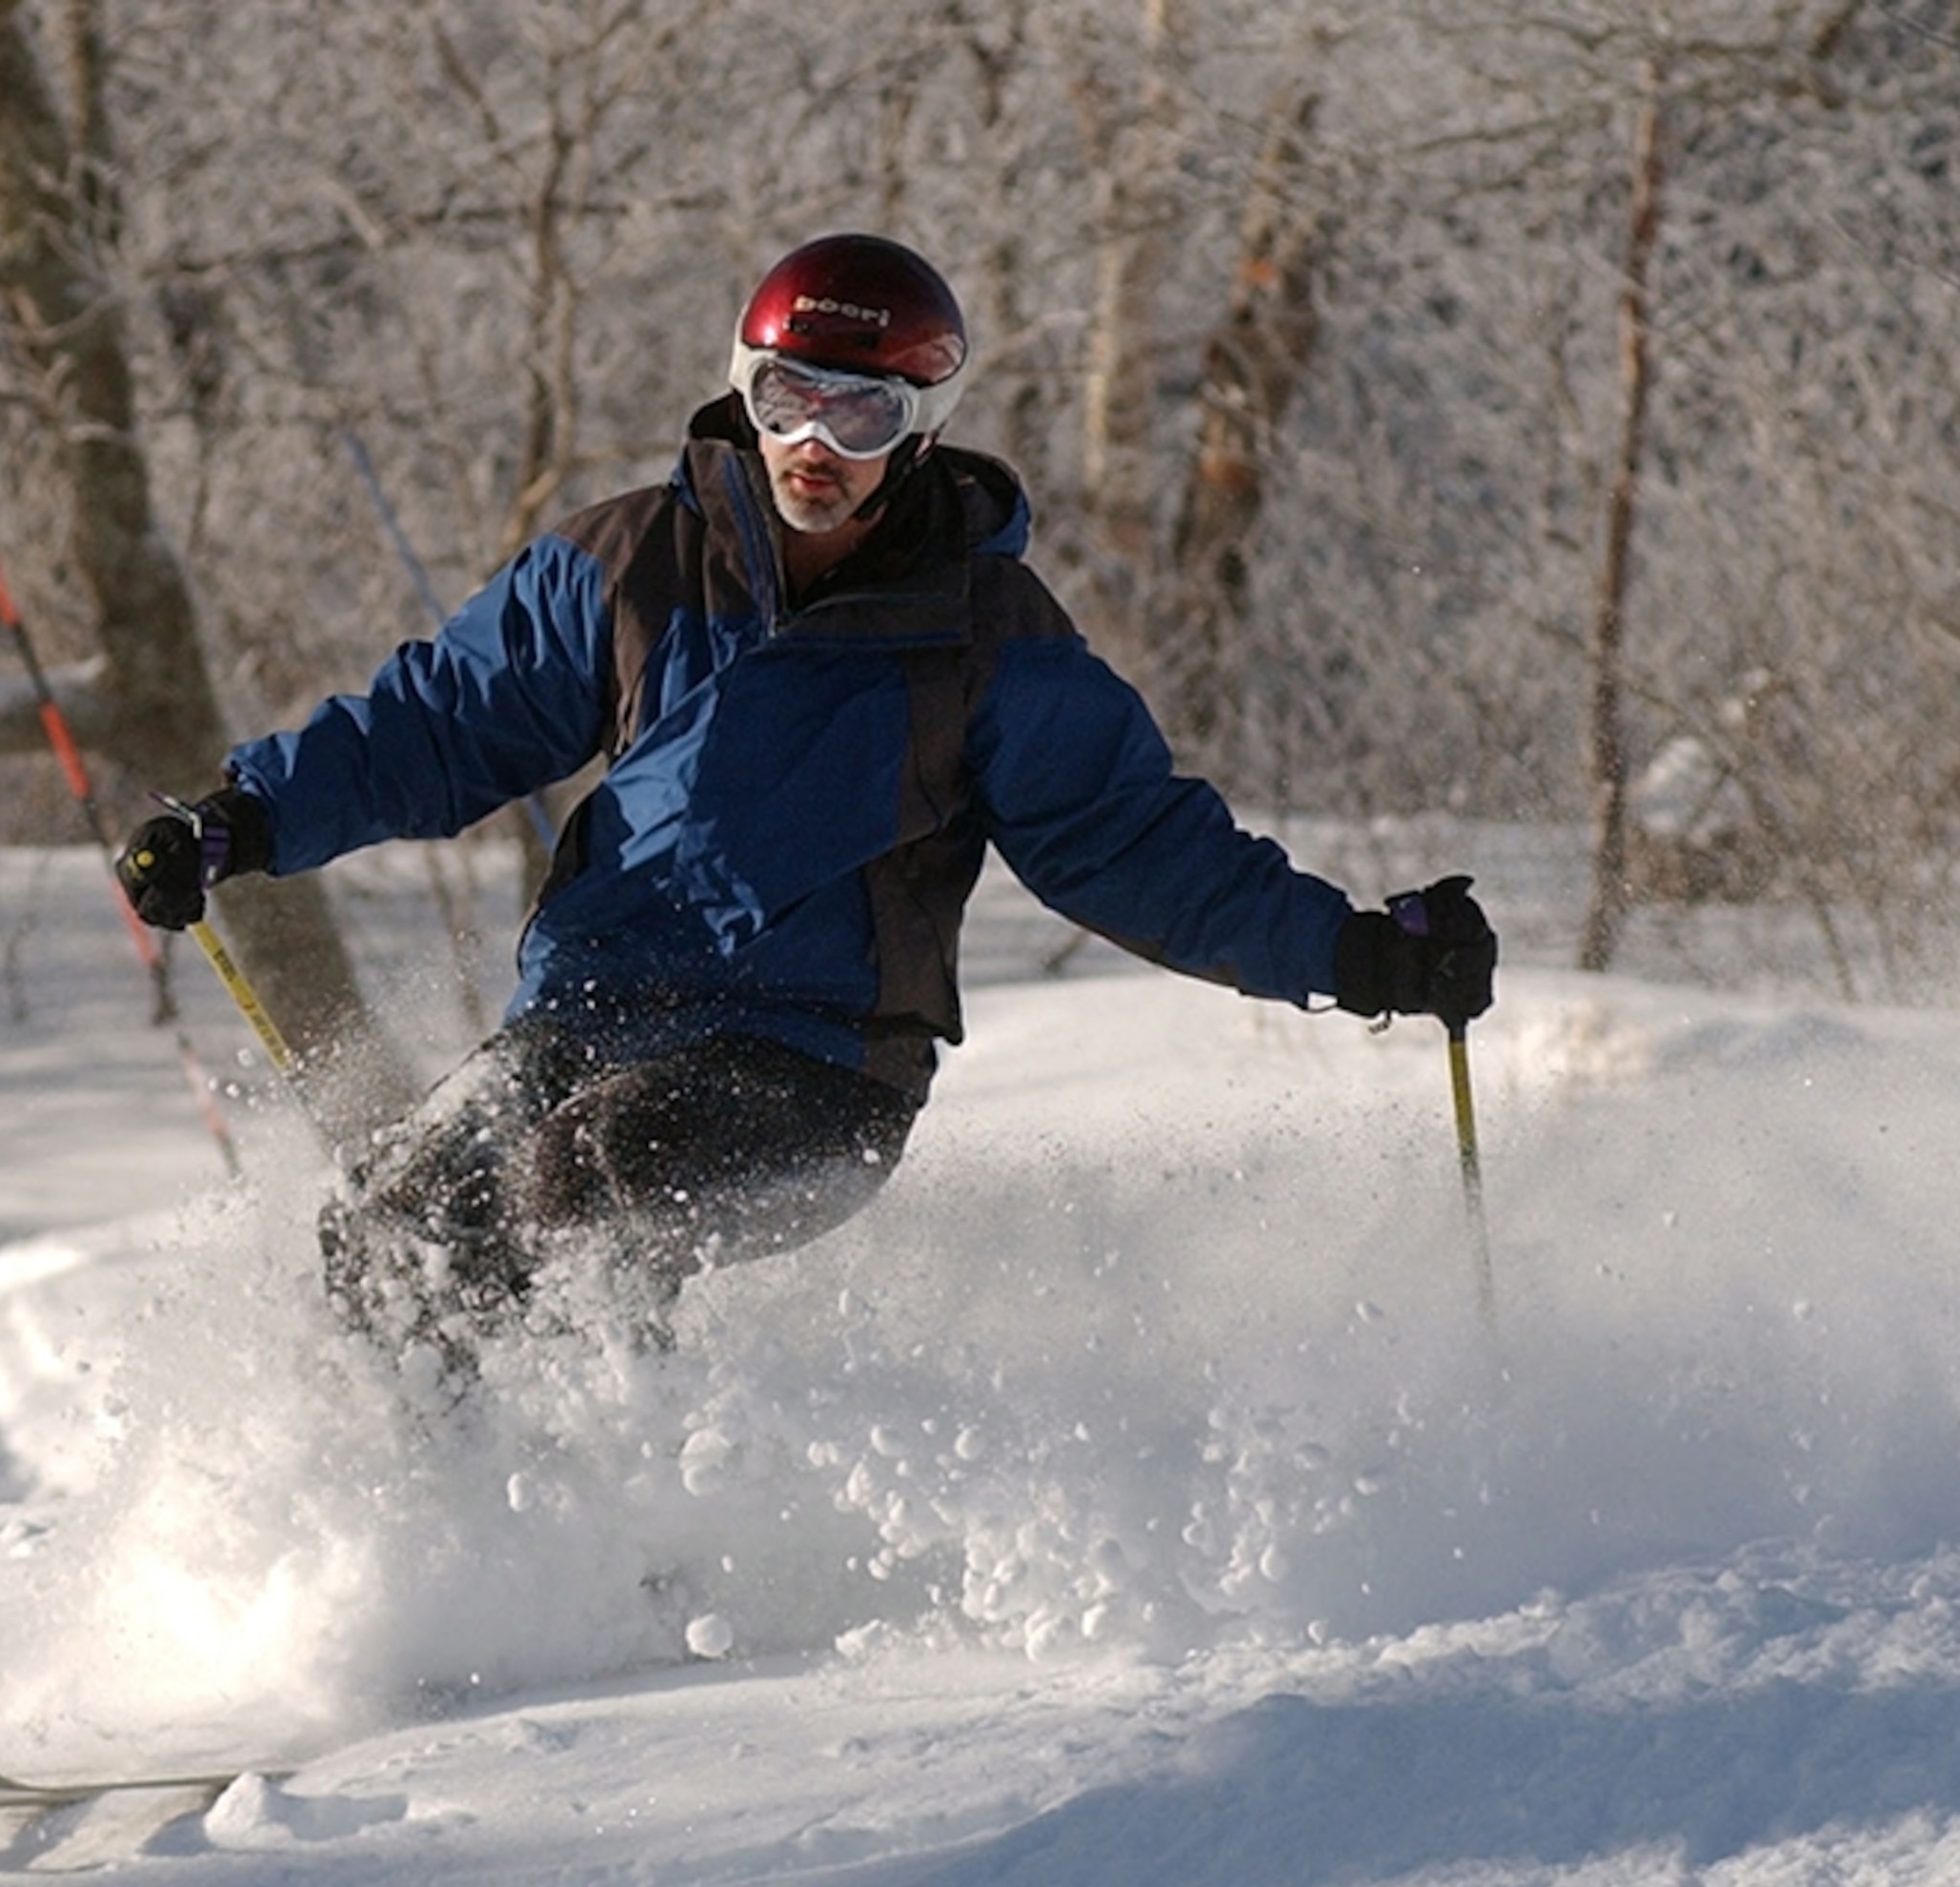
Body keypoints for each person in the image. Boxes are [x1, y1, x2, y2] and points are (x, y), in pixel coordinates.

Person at [120, 233, 1496, 1360]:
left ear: (920, 430)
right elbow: (439, 724)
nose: (814, 444)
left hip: (819, 1070)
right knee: (393, 1222)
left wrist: (1361, 953)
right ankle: (423, 1548)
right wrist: (245, 819)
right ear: (745, 389)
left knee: (586, 1177)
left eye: (861, 411)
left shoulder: (986, 640)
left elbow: (1141, 851)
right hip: (588, 1017)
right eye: (788, 400)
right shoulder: (632, 566)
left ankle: (626, 1540)